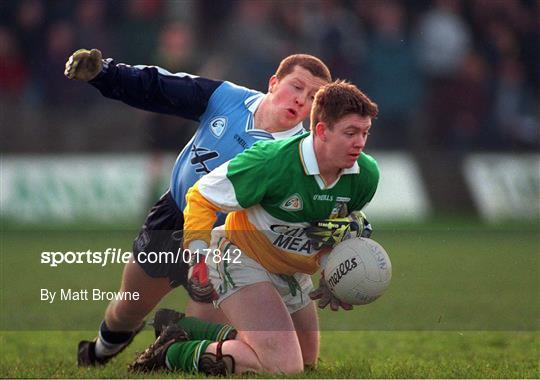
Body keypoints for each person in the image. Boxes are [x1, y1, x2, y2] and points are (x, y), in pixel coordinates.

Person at [64, 48, 331, 366]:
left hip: (232, 245)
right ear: (274, 83)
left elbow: (310, 208)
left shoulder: (300, 154)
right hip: (173, 220)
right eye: (297, 86)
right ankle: (97, 353)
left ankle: (172, 344)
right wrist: (104, 74)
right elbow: (159, 86)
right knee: (128, 308)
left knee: (294, 359)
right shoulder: (227, 98)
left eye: (314, 97)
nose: (302, 99)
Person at [129, 80, 380, 375]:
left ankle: (184, 330)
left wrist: (331, 266)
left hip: (289, 270)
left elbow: (323, 227)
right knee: (283, 366)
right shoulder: (271, 161)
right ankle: (171, 353)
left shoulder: (365, 175)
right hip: (240, 256)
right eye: (350, 133)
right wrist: (197, 254)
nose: (360, 143)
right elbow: (200, 195)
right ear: (322, 130)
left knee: (306, 362)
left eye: (364, 133)